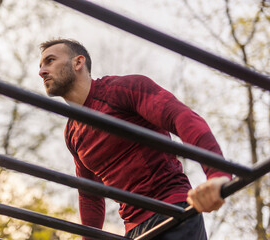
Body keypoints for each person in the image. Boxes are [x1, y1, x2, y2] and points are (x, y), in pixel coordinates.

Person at [38, 39, 231, 240]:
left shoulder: (121, 89)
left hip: (172, 210)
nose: (42, 71)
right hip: (133, 230)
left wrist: (217, 174)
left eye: (50, 61)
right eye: (41, 65)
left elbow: (181, 118)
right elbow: (90, 195)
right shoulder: (72, 133)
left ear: (78, 63)